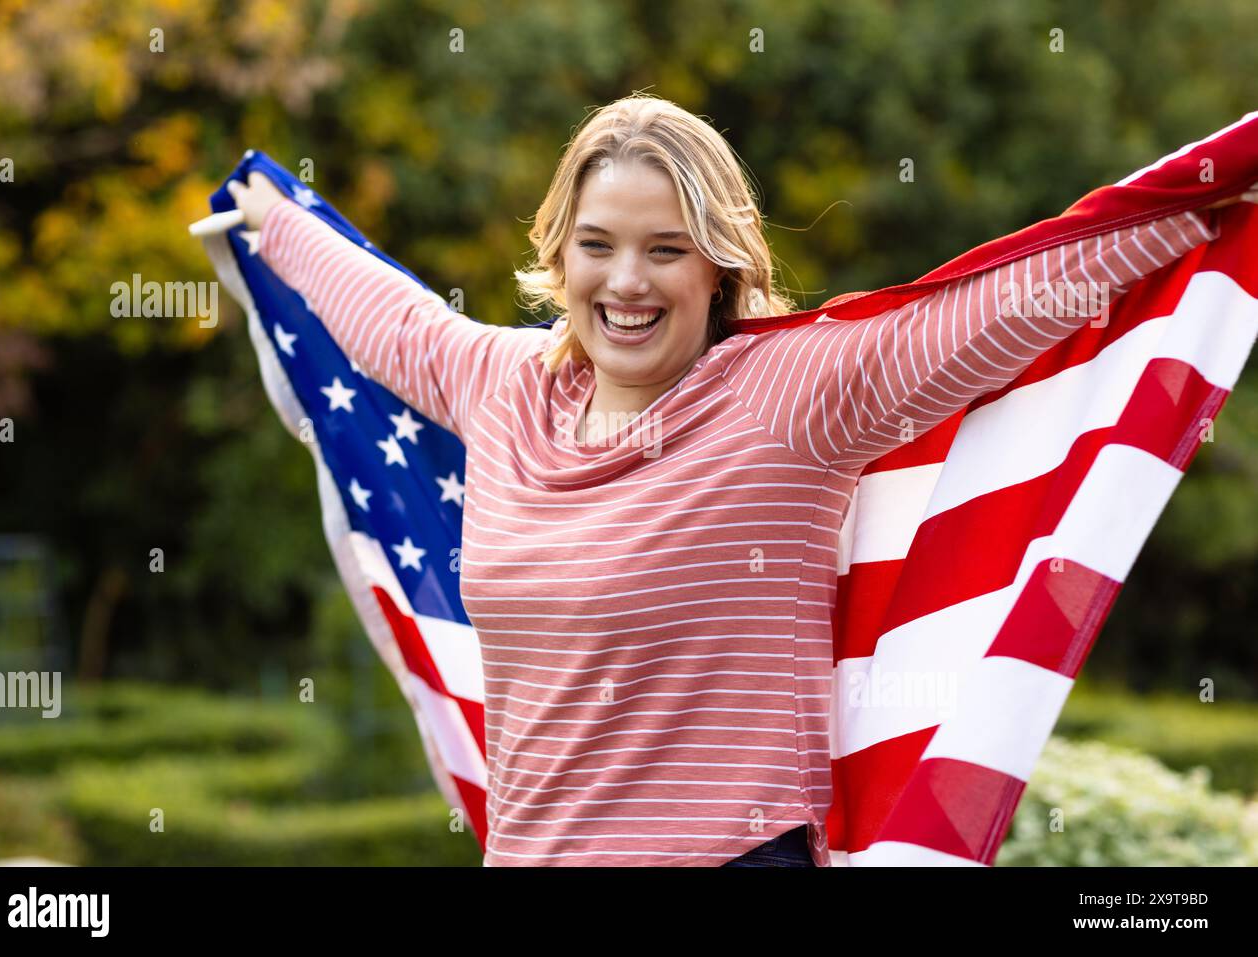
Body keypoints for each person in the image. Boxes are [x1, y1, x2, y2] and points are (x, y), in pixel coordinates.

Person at [228, 94, 1247, 867]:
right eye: (598, 246)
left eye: (664, 250)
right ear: (559, 253)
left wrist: (1211, 192)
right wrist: (270, 220)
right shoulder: (501, 386)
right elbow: (398, 322)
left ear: (718, 266)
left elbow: (997, 308)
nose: (625, 282)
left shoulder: (788, 394)